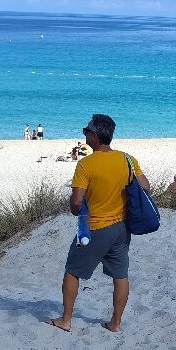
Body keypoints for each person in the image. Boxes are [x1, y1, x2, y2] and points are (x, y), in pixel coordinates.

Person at [46, 113, 152, 334]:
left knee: (72, 271)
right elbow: (146, 187)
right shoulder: (128, 159)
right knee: (120, 275)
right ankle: (115, 323)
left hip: (94, 228)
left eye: (86, 131)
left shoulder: (86, 164)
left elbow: (76, 202)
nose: (85, 134)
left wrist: (76, 208)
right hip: (122, 228)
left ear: (94, 136)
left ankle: (66, 320)